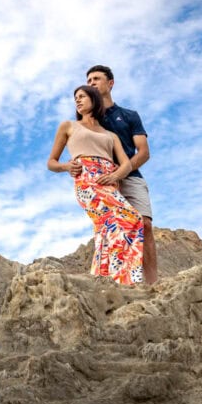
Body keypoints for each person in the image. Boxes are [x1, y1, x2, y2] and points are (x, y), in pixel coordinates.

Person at [48, 85, 145, 286]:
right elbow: (51, 162)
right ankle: (125, 280)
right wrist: (66, 167)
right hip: (87, 180)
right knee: (132, 219)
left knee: (105, 230)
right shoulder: (68, 126)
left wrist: (115, 175)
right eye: (76, 98)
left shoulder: (110, 135)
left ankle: (102, 280)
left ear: (94, 99)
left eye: (82, 96)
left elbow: (126, 163)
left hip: (109, 180)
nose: (78, 100)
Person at [80, 65, 158, 284]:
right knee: (108, 228)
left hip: (131, 176)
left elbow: (143, 152)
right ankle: (111, 281)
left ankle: (153, 284)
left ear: (110, 83)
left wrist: (122, 170)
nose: (92, 83)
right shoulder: (87, 119)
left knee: (145, 224)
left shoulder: (129, 116)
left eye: (96, 79)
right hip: (102, 180)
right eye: (89, 80)